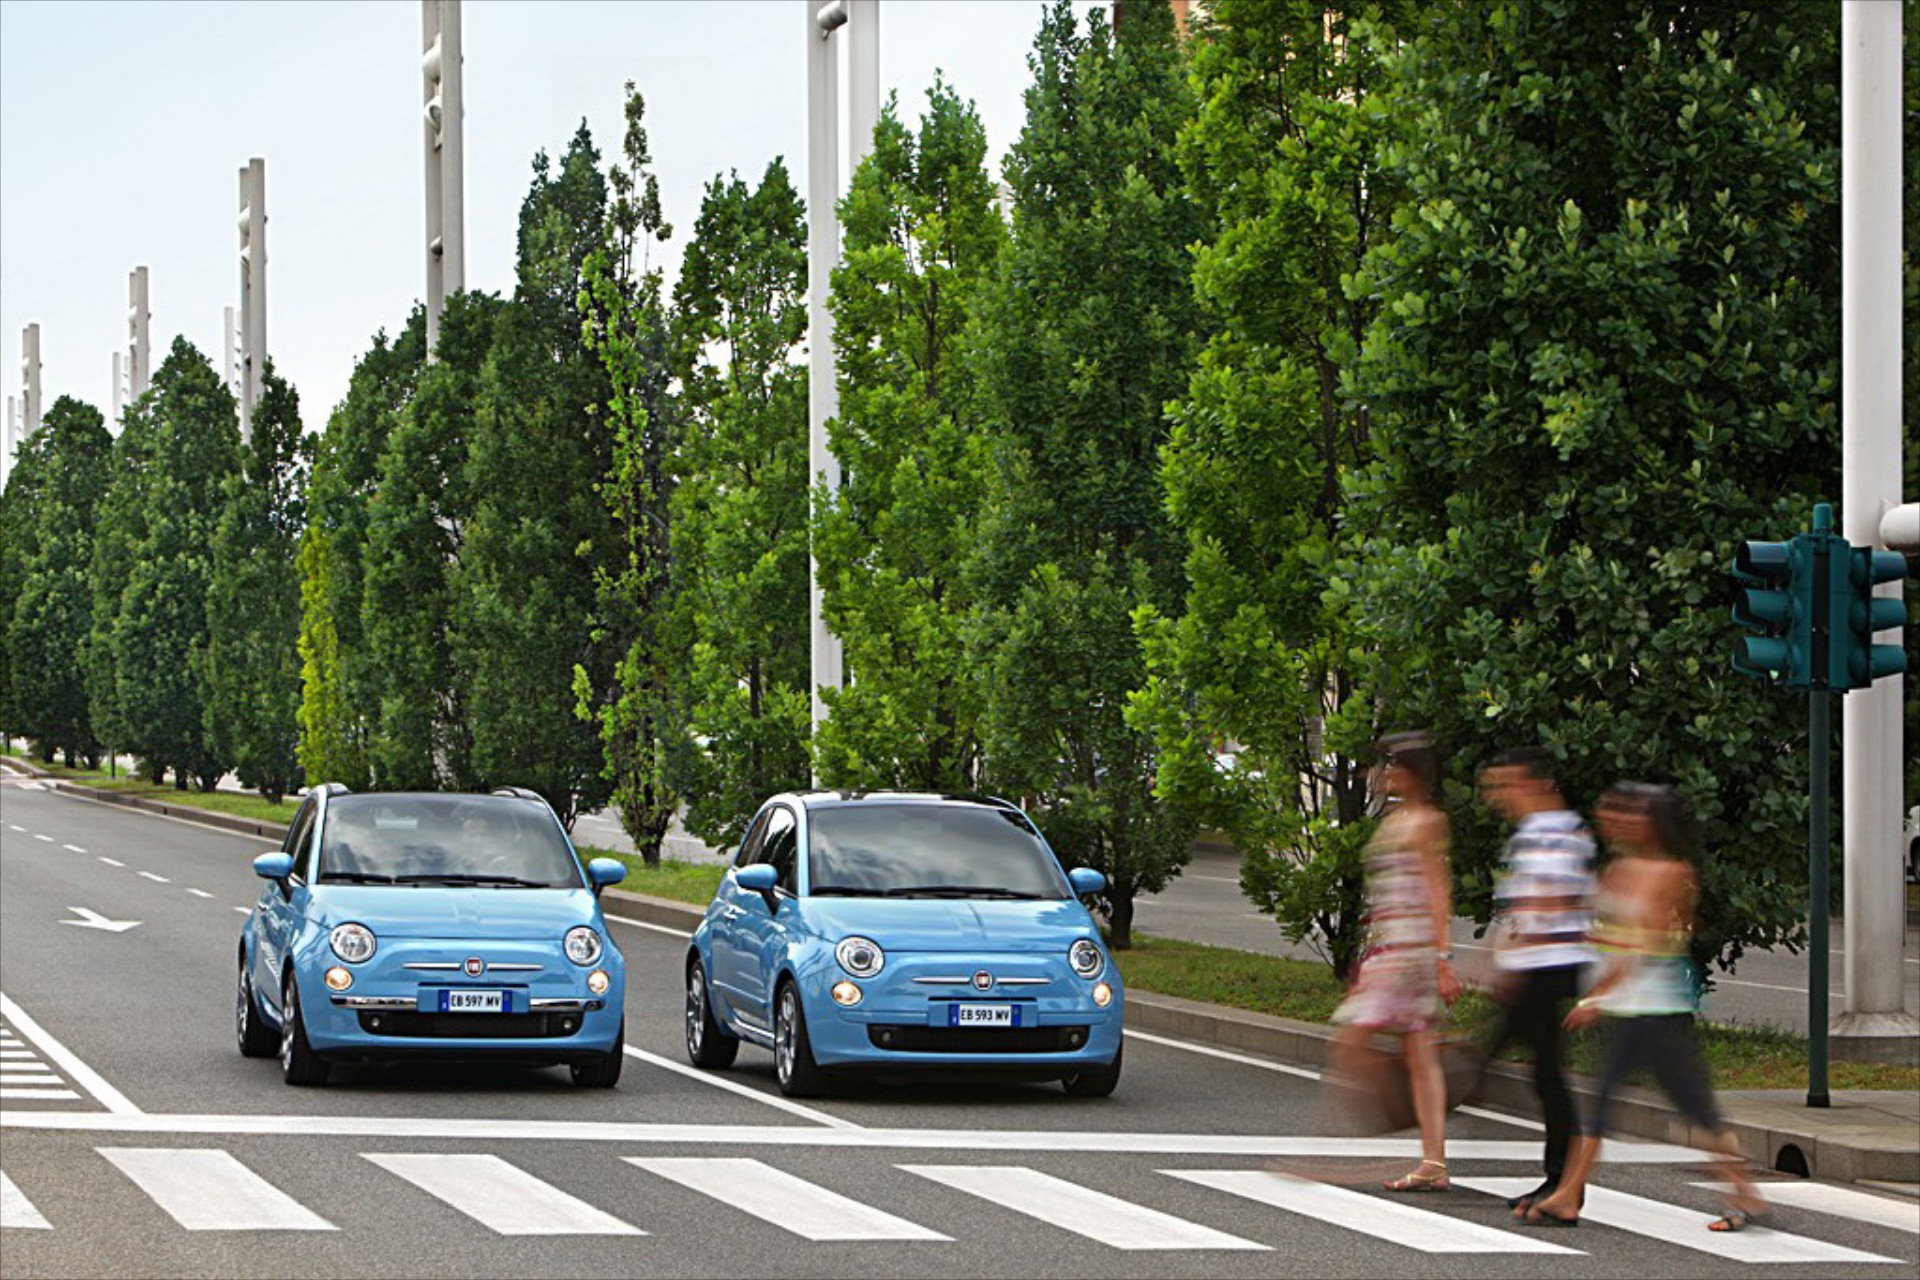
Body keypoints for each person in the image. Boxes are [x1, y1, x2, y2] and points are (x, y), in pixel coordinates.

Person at [1524, 784, 1766, 1231]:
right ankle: (1566, 1197)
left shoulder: (1672, 872)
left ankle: (1743, 1191)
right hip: (1628, 1010)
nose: (1621, 819)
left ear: (1655, 821)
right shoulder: (1618, 868)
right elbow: (1607, 933)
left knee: (1692, 1108)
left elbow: (1650, 945)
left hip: (1659, 1010)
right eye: (1617, 811)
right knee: (1603, 1106)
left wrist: (1598, 995)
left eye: (1634, 813)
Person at [1328, 732, 1461, 1191]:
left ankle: (1372, 1134)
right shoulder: (1398, 818)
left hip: (1411, 951)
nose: (1382, 776)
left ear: (1410, 773)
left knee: (1353, 1042)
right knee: (1419, 1056)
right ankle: (1434, 1161)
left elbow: (1438, 890)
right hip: (1392, 949)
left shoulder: (1424, 822)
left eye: (1390, 768)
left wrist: (1442, 958)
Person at [1478, 746, 1596, 1214]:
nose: (1500, 795)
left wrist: (1514, 956)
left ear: (1534, 783)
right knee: (1543, 1073)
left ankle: (1563, 1183)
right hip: (1539, 962)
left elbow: (1553, 900)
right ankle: (1560, 1181)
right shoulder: (1540, 831)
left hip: (1548, 964)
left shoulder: (1556, 832)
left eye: (1506, 784)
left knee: (1540, 1072)